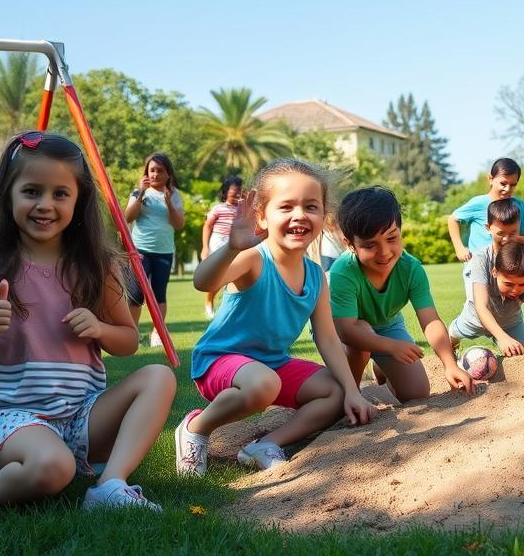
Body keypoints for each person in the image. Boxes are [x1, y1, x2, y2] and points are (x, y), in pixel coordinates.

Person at [0, 132, 176, 524]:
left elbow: (128, 342)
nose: (45, 205)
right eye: (31, 191)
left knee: (159, 377)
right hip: (13, 415)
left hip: (81, 413)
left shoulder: (97, 267)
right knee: (55, 468)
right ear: (9, 195)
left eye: (60, 194)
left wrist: (99, 328)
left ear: (79, 199)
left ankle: (111, 485)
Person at [174, 158, 375, 477]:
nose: (300, 215)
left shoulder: (316, 276)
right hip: (219, 361)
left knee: (335, 391)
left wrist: (352, 391)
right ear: (262, 216)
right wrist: (230, 248)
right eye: (286, 207)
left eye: (311, 206)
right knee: (265, 384)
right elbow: (204, 282)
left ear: (323, 215)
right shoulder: (254, 258)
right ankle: (196, 427)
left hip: (271, 365)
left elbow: (327, 338)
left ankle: (263, 445)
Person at [332, 186, 475, 401]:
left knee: (416, 393)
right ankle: (349, 392)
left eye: (392, 238)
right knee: (359, 343)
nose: (385, 252)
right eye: (370, 245)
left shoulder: (411, 268)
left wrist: (449, 364)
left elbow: (430, 320)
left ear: (400, 231)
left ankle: (381, 366)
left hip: (386, 325)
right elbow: (346, 330)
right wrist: (391, 346)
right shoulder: (342, 272)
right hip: (343, 330)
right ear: (350, 244)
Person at [449, 199, 524, 355]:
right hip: (475, 319)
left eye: (513, 233)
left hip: (510, 321)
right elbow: (481, 306)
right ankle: (452, 339)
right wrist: (502, 337)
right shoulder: (481, 260)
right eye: (501, 233)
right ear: (488, 228)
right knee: (453, 336)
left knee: (518, 353)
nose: (507, 239)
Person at [447, 158, 524, 298]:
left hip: (507, 268)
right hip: (478, 265)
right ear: (490, 179)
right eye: (503, 183)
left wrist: (516, 238)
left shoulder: (518, 205)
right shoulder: (479, 203)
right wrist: (459, 247)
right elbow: (452, 219)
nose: (507, 189)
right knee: (479, 306)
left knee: (507, 309)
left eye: (513, 185)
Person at [124, 152, 185, 339]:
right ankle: (133, 332)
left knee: (159, 293)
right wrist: (141, 193)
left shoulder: (174, 195)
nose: (155, 174)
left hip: (163, 252)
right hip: (139, 250)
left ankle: (157, 333)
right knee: (136, 293)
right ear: (146, 172)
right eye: (152, 170)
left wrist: (168, 203)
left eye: (160, 171)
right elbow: (127, 217)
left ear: (168, 174)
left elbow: (178, 224)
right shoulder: (138, 193)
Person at [201, 175, 242, 319]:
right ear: (225, 192)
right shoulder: (218, 208)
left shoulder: (242, 209)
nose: (237, 193)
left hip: (235, 245)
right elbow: (207, 226)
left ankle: (229, 308)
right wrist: (205, 248)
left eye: (239, 190)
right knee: (220, 276)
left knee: (234, 276)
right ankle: (209, 302)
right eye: (234, 190)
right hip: (219, 243)